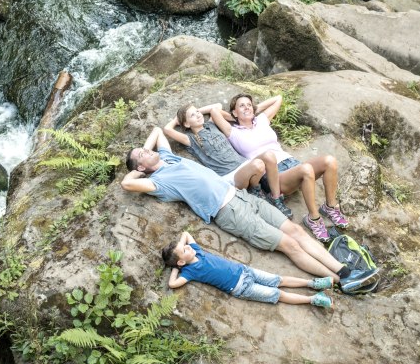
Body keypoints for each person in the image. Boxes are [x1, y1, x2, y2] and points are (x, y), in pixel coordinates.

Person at [121, 126, 379, 293]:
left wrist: (145, 151)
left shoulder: (168, 157)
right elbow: (126, 183)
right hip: (229, 212)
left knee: (297, 231)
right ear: (141, 168)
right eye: (142, 154)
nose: (147, 150)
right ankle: (341, 282)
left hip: (244, 197)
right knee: (290, 245)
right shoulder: (159, 182)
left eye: (145, 149)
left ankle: (345, 271)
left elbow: (157, 131)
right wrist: (136, 165)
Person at [210, 94, 348, 242]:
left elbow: (278, 98)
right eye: (242, 106)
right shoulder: (233, 131)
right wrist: (234, 117)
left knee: (330, 161)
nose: (247, 107)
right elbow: (214, 111)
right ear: (234, 112)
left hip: (291, 163)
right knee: (306, 169)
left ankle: (330, 207)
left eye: (249, 105)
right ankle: (313, 218)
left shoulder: (262, 120)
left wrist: (254, 110)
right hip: (272, 174)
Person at [164, 103, 292, 219]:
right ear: (186, 124)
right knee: (258, 165)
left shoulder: (212, 124)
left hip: (244, 164)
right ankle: (255, 190)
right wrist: (178, 119)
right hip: (230, 175)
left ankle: (275, 198)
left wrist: (196, 112)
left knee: (269, 156)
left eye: (197, 111)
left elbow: (217, 106)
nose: (198, 115)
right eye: (192, 115)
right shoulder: (190, 139)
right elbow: (167, 129)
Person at [162, 231, 333, 308]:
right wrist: (177, 268)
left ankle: (313, 283)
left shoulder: (196, 250)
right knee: (277, 294)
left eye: (185, 247)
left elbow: (185, 233)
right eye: (184, 251)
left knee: (278, 280)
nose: (187, 248)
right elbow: (173, 284)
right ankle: (313, 299)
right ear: (181, 262)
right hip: (241, 287)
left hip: (244, 270)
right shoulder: (190, 272)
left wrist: (181, 249)